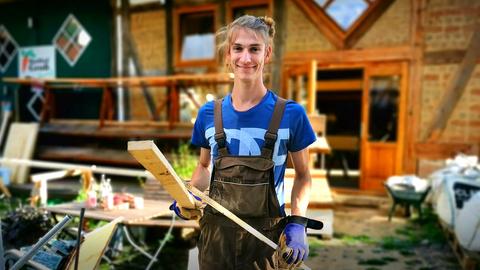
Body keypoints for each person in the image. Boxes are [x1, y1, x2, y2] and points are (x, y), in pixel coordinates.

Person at [170, 15, 317, 270]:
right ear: (228, 54)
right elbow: (204, 167)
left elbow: (304, 175)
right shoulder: (208, 114)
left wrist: (298, 222)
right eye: (238, 48)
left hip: (266, 244)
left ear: (267, 53)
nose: (245, 58)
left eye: (254, 49)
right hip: (215, 242)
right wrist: (188, 196)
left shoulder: (291, 114)